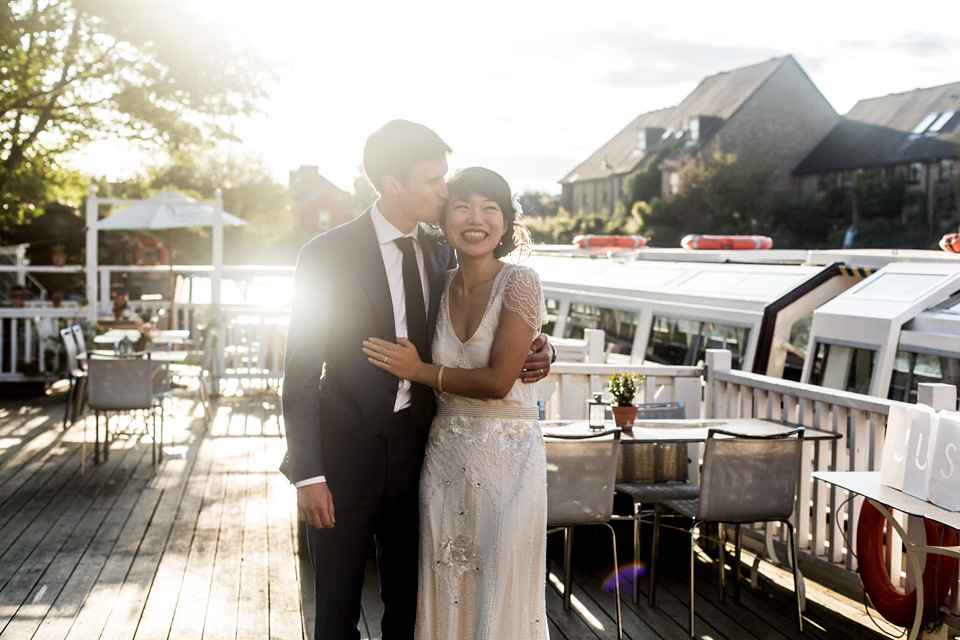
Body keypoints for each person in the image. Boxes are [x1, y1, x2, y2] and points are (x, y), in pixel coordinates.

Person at [281, 121, 554, 640]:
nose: (445, 191)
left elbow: (495, 310)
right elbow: (298, 377)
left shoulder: (441, 250)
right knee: (335, 606)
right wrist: (308, 474)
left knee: (412, 604)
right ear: (392, 183)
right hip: (343, 462)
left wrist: (541, 347)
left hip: (421, 456)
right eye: (434, 180)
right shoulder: (325, 254)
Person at [362, 167, 549, 639]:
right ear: (444, 219)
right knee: (443, 579)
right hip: (444, 456)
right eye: (462, 206)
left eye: (491, 209)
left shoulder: (521, 281)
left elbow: (499, 381)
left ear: (506, 224)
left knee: (499, 579)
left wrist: (419, 371)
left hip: (510, 458)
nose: (476, 218)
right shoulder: (434, 281)